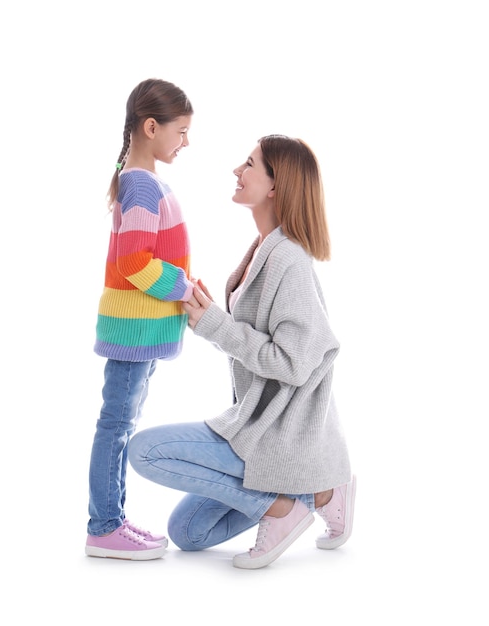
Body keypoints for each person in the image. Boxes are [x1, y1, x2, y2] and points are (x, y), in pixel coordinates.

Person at [129, 134, 356, 569]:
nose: (237, 170)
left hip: (273, 432)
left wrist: (217, 324)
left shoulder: (289, 259)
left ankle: (283, 507)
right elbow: (251, 341)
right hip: (254, 421)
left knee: (144, 450)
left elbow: (293, 362)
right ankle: (316, 491)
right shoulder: (262, 251)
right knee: (189, 533)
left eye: (249, 164)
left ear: (275, 186)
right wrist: (214, 321)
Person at [85, 78, 196, 561]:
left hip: (140, 330)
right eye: (182, 131)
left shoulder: (141, 183)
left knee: (120, 424)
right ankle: (105, 525)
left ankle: (111, 522)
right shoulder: (141, 186)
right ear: (151, 127)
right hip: (133, 330)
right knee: (117, 426)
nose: (186, 142)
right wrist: (185, 289)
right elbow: (135, 263)